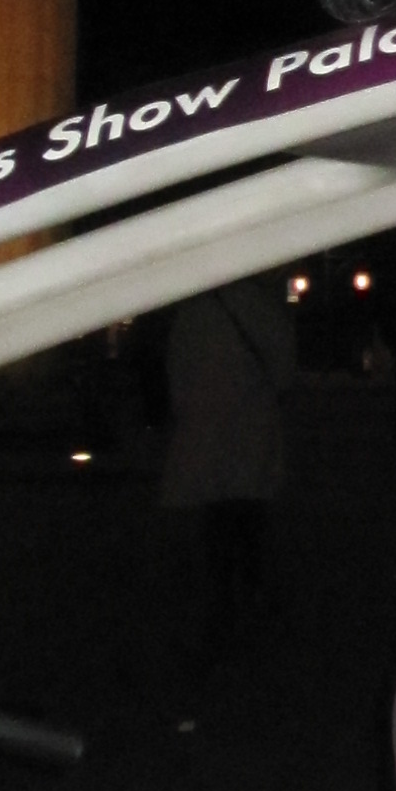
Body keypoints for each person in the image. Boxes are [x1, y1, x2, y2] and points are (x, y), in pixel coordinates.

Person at [160, 274, 297, 650]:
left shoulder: (192, 313)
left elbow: (177, 376)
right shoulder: (259, 307)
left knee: (216, 522)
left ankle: (222, 608)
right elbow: (284, 368)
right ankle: (253, 603)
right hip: (252, 432)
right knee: (249, 521)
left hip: (207, 436)